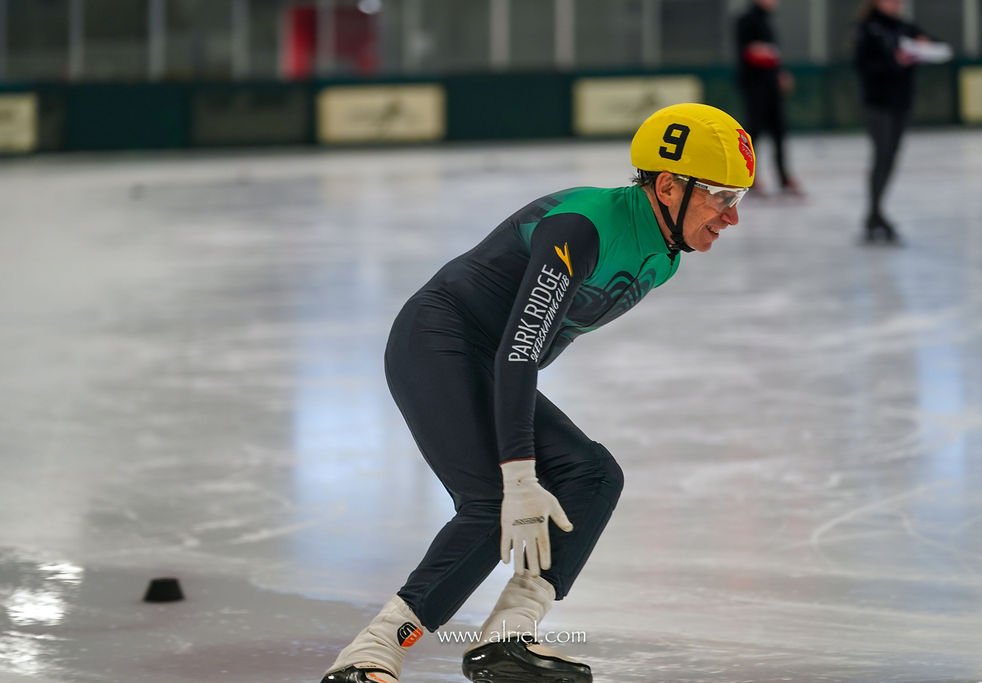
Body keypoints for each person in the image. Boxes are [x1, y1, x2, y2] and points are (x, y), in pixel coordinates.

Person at [319, 102, 756, 683]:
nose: (731, 218)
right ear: (670, 186)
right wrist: (520, 476)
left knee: (593, 476)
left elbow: (525, 350)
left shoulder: (666, 257)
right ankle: (368, 656)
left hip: (493, 362)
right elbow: (520, 349)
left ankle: (506, 641)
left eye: (738, 199)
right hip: (437, 342)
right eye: (721, 197)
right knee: (490, 506)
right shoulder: (583, 226)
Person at [855, 0, 950, 244]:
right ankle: (874, 214)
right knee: (882, 155)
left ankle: (875, 214)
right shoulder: (867, 28)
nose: (895, 3)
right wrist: (895, 61)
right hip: (877, 104)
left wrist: (924, 46)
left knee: (890, 158)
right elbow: (863, 65)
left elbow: (942, 47)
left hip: (901, 103)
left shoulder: (905, 27)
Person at [735, 0, 802, 197]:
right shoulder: (746, 20)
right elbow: (749, 53)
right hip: (755, 85)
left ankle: (783, 177)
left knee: (779, 131)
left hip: (771, 86)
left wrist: (779, 74)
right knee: (753, 132)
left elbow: (771, 55)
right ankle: (749, 176)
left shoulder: (768, 20)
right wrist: (770, 60)